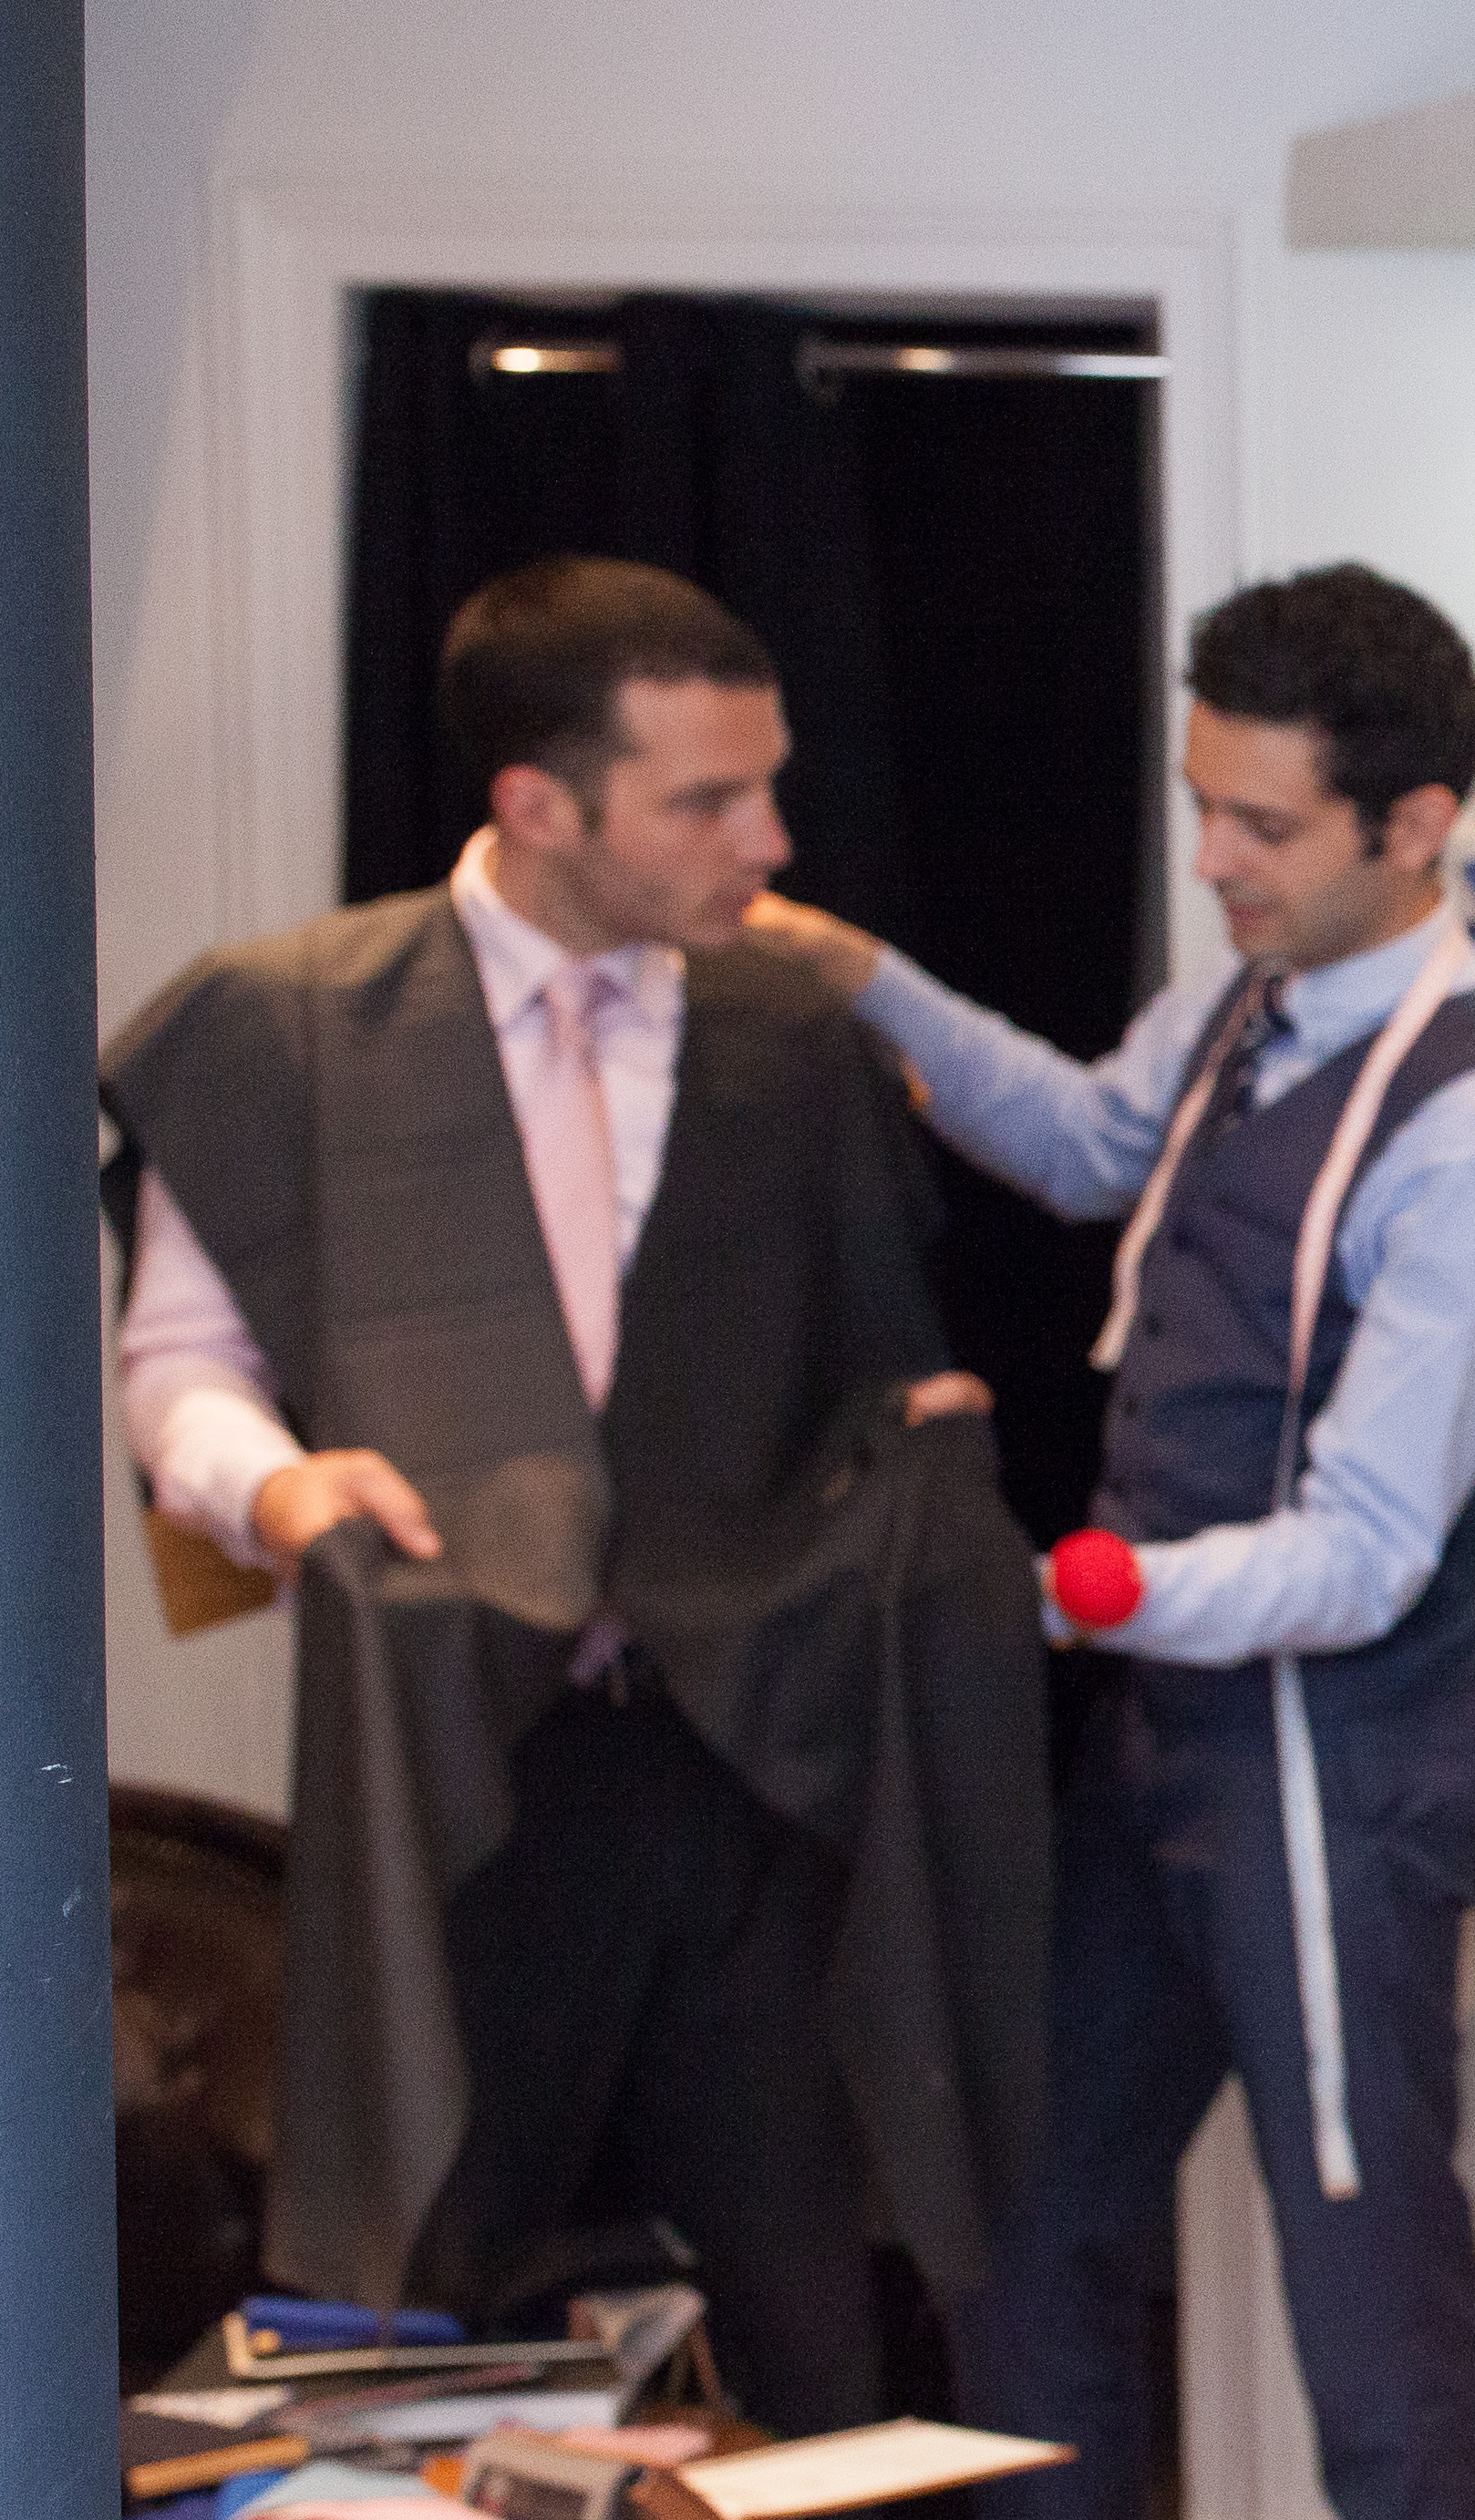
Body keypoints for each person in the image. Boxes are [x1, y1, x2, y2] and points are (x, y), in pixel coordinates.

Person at [98, 556, 1049, 2431]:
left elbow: (862, 1356)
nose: (769, 842)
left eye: (770, 786)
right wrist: (279, 1488)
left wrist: (903, 1442)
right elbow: (179, 1364)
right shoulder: (290, 1026)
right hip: (460, 1767)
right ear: (538, 802)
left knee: (816, 2315)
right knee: (406, 2310)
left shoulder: (790, 1030)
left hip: (752, 1764)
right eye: (707, 800)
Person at [748, 563, 1475, 2520]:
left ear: (1415, 825)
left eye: (1264, 826)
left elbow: (1366, 1549)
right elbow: (1084, 1141)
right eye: (1202, 804)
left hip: (1334, 1763)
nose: (1213, 859)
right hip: (1159, 1739)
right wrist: (860, 973)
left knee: (1369, 2297)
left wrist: (1073, 1594)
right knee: (1027, 2226)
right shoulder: (1253, 995)